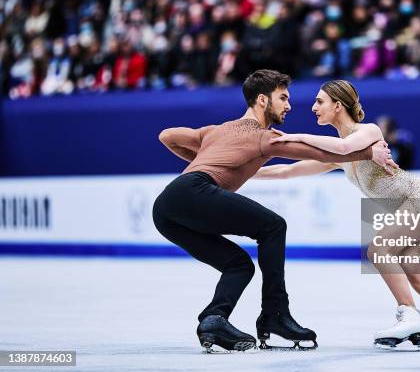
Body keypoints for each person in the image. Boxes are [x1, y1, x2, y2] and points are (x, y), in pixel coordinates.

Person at [152, 70, 396, 353]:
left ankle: (213, 319)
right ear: (262, 100)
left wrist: (203, 161)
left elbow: (167, 135)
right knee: (273, 226)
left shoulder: (215, 131)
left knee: (239, 265)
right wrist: (367, 154)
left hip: (166, 209)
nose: (289, 105)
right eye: (282, 98)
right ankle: (275, 315)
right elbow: (319, 153)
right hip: (194, 191)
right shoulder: (263, 137)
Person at [254, 80, 420, 350]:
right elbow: (286, 172)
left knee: (379, 250)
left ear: (338, 106)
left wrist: (293, 136)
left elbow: (342, 148)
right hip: (410, 204)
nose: (314, 107)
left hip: (419, 197)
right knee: (413, 270)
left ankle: (409, 315)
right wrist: (239, 174)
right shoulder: (340, 153)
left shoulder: (369, 131)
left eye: (320, 102)